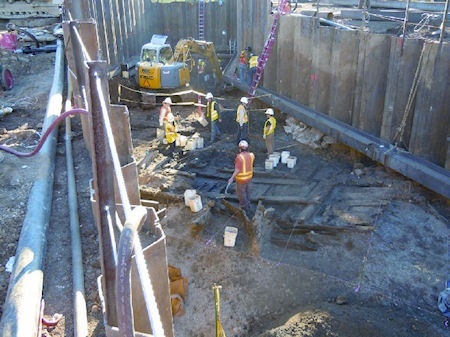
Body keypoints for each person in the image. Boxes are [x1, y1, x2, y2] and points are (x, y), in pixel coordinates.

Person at [228, 140, 255, 215]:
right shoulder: (252, 155)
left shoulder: (239, 157)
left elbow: (237, 169)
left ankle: (245, 209)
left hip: (241, 179)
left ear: (239, 149)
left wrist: (232, 178)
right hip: (249, 178)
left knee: (241, 194)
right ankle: (248, 204)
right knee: (247, 192)